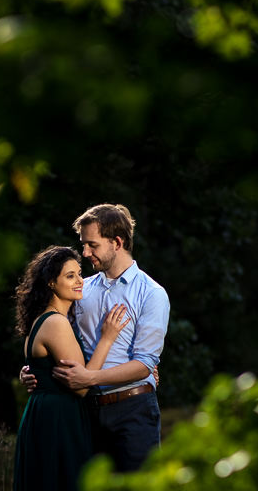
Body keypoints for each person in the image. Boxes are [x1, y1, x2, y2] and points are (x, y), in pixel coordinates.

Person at [23, 203, 169, 474]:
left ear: (117, 242)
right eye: (83, 245)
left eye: (92, 245)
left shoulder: (152, 294)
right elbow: (54, 338)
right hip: (84, 412)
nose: (85, 253)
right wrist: (36, 371)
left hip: (133, 410)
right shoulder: (81, 289)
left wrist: (90, 379)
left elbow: (144, 364)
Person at [11, 245, 131, 491]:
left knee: (49, 489)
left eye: (79, 274)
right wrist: (108, 338)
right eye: (70, 276)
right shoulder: (55, 322)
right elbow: (80, 385)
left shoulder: (44, 319)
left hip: (46, 414)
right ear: (51, 282)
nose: (80, 281)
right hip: (59, 419)